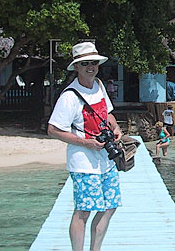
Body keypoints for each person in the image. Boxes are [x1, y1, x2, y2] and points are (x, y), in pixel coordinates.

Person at [47, 42, 122, 251]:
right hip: (83, 163)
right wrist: (85, 143)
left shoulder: (98, 85)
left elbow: (107, 114)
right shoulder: (69, 96)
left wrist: (116, 128)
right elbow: (52, 130)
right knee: (83, 212)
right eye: (85, 63)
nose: (91, 67)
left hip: (106, 161)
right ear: (77, 67)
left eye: (94, 63)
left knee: (110, 205)